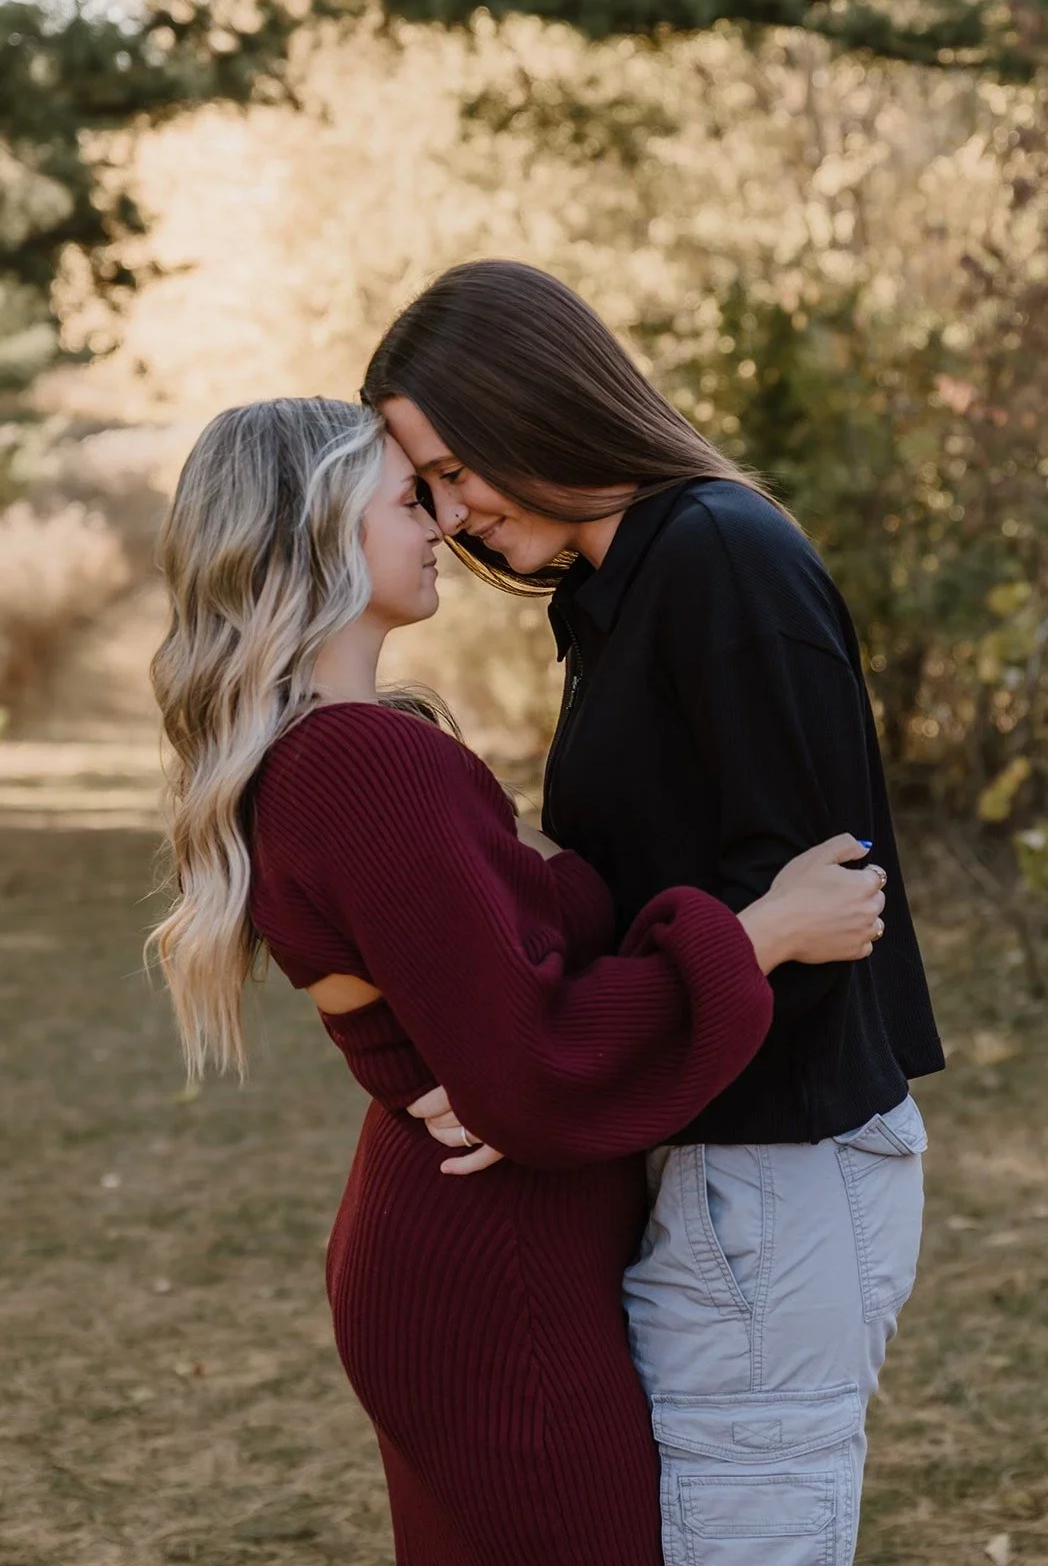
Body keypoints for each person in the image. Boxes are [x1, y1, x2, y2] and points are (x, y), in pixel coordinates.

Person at [147, 396, 886, 1566]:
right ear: (317, 532)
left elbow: (487, 1017)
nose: (444, 521)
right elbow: (532, 1063)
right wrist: (759, 933)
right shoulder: (361, 762)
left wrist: (485, 1058)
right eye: (408, 497)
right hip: (492, 1279)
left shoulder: (346, 740)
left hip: (474, 1249)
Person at [363, 259, 945, 1566]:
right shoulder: (614, 595)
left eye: (457, 470)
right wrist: (530, 1051)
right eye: (428, 491)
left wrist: (563, 1073)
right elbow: (668, 898)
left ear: (534, 404)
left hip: (782, 1166)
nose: (452, 516)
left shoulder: (720, 560)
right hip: (715, 1157)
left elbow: (821, 905)